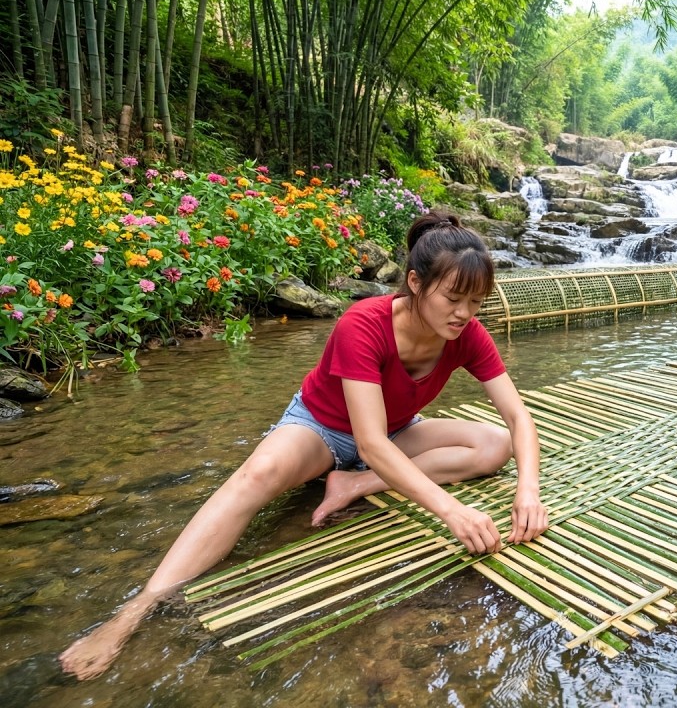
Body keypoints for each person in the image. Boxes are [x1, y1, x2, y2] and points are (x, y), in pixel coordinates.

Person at [59, 213, 548, 681]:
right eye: (454, 299)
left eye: (476, 302)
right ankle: (135, 610)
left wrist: (528, 492)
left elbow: (517, 418)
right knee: (255, 477)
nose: (464, 314)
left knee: (495, 445)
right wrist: (452, 511)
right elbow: (368, 441)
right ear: (416, 283)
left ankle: (354, 484)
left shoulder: (467, 334)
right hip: (322, 429)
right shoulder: (363, 323)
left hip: (395, 431)